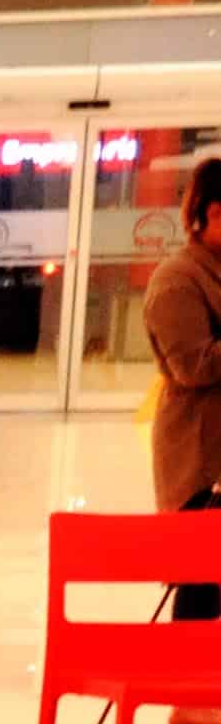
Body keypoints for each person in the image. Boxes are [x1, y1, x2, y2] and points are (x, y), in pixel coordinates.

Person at [145, 154, 221, 512]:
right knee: (202, 565)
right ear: (211, 214)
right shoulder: (177, 280)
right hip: (201, 464)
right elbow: (194, 366)